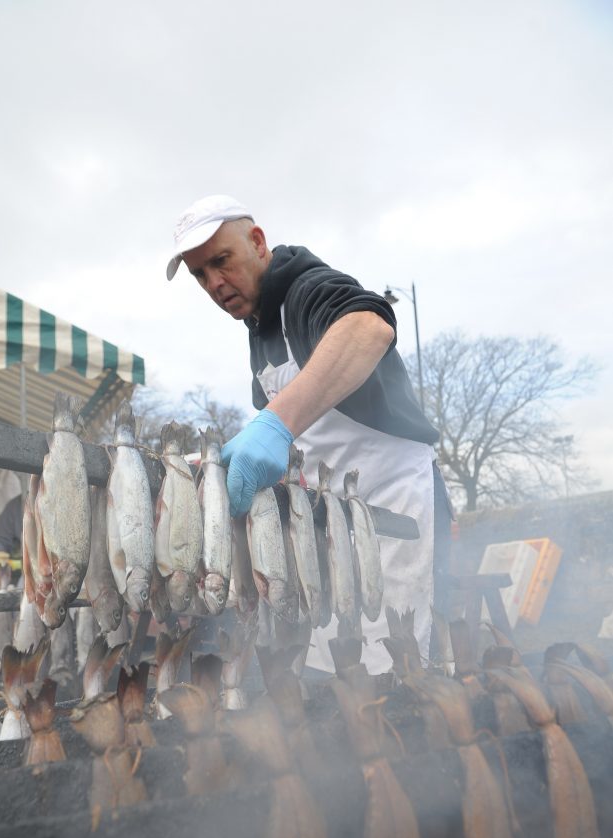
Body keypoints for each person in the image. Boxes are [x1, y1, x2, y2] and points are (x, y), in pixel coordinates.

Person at [166, 194, 451, 671]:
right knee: (336, 668)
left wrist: (275, 422)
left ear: (257, 242)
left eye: (221, 261)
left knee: (395, 669)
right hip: (327, 525)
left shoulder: (306, 287)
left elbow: (368, 326)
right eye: (200, 274)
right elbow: (287, 438)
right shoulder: (259, 328)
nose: (214, 283)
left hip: (392, 512)